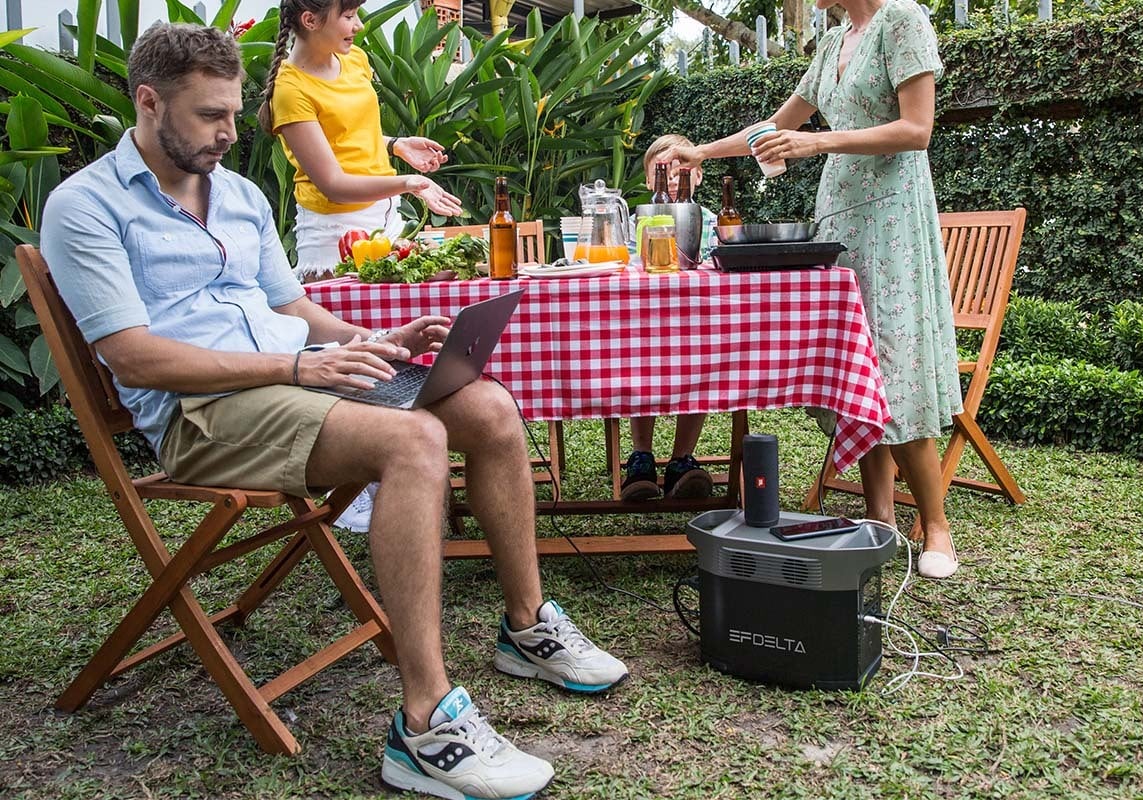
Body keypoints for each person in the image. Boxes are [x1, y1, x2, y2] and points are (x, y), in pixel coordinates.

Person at [41, 24, 627, 800]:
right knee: (413, 439)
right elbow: (134, 356)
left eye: (232, 114)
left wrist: (374, 340)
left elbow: (291, 305)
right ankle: (426, 726)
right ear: (148, 103)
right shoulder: (85, 205)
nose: (227, 133)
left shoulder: (241, 195)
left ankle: (527, 627)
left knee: (484, 403)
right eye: (208, 116)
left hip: (294, 379)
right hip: (204, 413)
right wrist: (294, 364)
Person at [663, 0, 963, 579]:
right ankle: (881, 520)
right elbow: (778, 127)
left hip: (892, 220)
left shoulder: (903, 20)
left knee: (895, 367)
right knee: (860, 365)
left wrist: (820, 144)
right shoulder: (832, 44)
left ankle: (936, 525)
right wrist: (700, 151)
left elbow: (917, 130)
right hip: (840, 220)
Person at [257, 0, 465, 531]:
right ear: (311, 20)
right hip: (332, 235)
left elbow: (358, 141)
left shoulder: (355, 61)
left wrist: (398, 147)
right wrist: (410, 183)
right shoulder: (290, 89)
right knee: (359, 354)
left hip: (385, 222)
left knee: (399, 341)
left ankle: (407, 474)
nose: (357, 24)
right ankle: (366, 490)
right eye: (347, 14)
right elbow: (331, 181)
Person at [618, 134, 719, 502]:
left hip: (698, 323)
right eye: (663, 171)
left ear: (699, 175)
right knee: (636, 360)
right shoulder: (637, 220)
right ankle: (641, 455)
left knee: (703, 361)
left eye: (682, 170)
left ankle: (682, 458)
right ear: (649, 180)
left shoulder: (711, 220)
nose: (673, 178)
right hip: (643, 323)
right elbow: (626, 266)